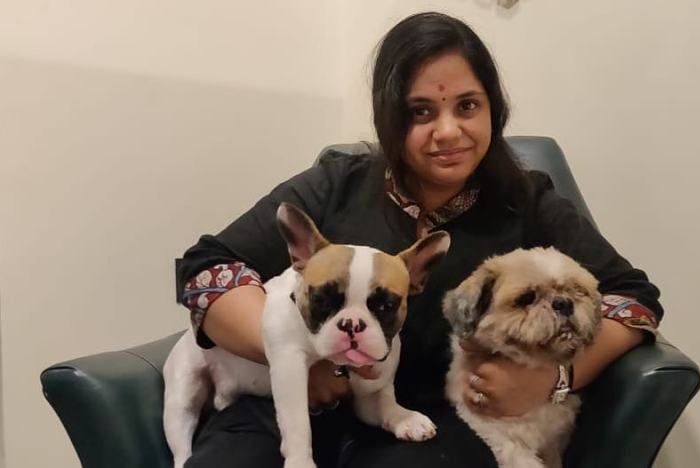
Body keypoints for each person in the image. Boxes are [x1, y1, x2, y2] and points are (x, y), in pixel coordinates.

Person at [176, 11, 662, 468]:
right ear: (390, 118)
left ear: (495, 107)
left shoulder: (528, 202)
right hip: (287, 407)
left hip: (434, 422)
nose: (447, 131)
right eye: (421, 112)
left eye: (467, 106)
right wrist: (297, 357)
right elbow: (207, 269)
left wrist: (554, 379)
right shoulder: (335, 183)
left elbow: (633, 298)